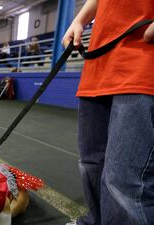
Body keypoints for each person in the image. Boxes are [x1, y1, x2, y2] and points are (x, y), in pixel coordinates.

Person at [62, 0, 154, 225]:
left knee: (124, 181)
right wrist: (80, 19)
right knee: (91, 164)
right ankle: (94, 220)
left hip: (141, 61)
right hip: (98, 66)